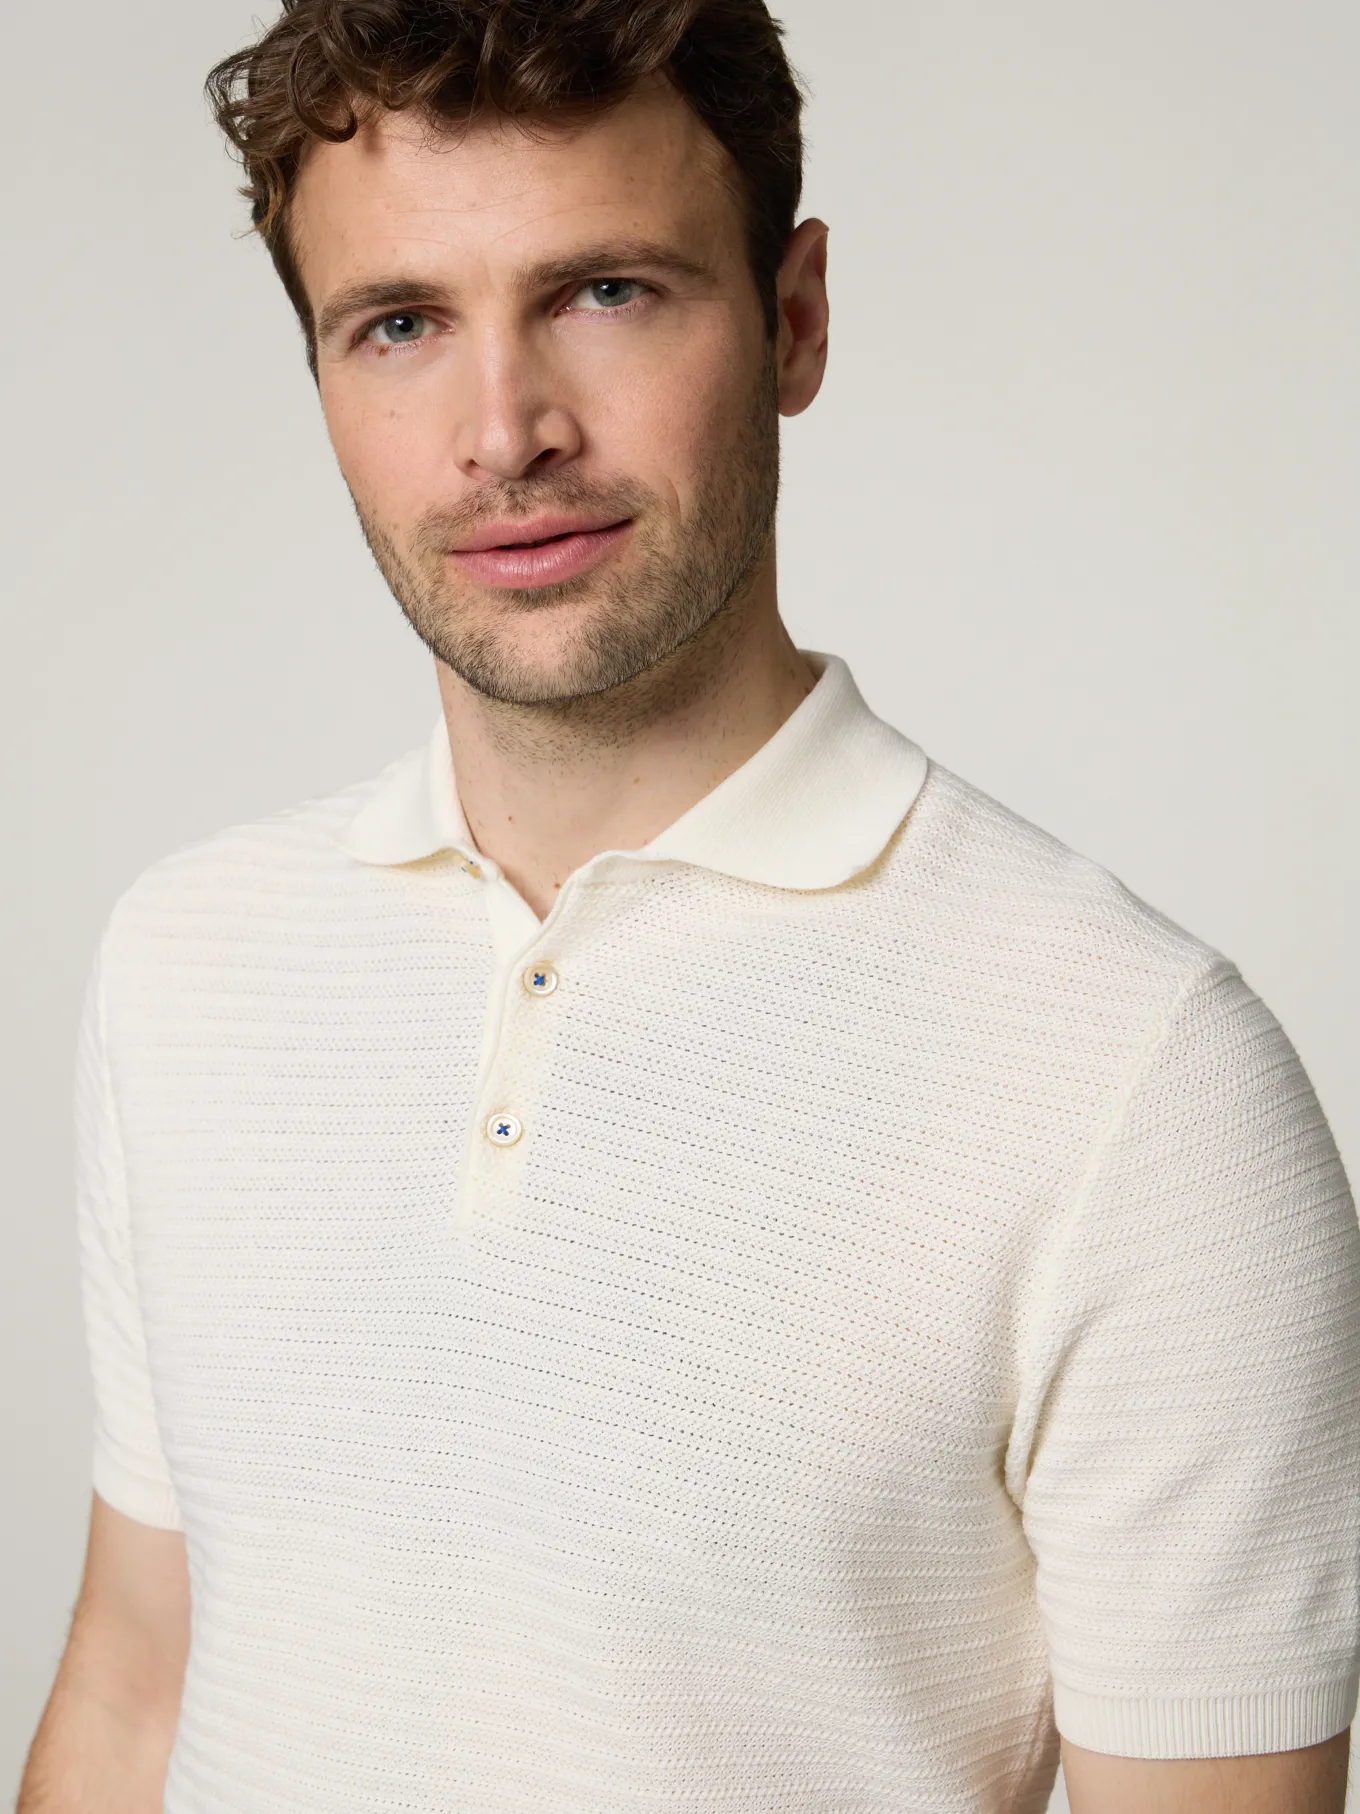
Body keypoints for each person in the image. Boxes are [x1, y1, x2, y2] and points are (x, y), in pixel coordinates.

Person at [18, 2, 1360, 1809]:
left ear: (794, 319)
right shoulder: (184, 966)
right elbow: (135, 1688)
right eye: (401, 323)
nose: (505, 433)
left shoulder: (1143, 1085)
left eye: (606, 292)